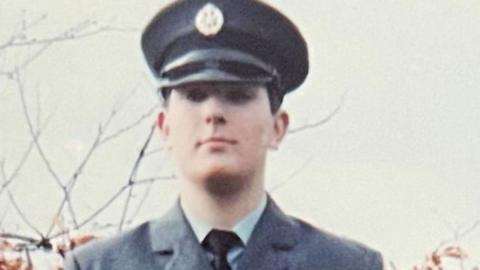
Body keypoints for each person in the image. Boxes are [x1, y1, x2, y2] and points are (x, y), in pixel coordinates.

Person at [64, 0, 384, 269]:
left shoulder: (343, 264)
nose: (213, 112)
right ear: (164, 127)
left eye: (238, 94)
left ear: (278, 126)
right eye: (194, 94)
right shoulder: (101, 266)